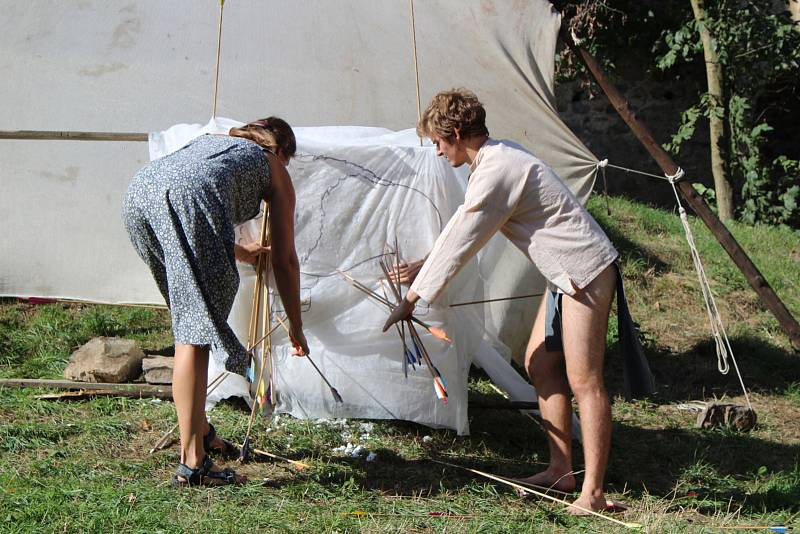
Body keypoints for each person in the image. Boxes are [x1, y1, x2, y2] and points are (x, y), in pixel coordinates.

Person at [383, 89, 619, 513]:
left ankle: (594, 493)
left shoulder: (499, 167)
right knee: (540, 364)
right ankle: (561, 471)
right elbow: (464, 225)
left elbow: (467, 233)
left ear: (456, 133)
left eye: (438, 142)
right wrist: (423, 264)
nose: (437, 152)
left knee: (585, 380)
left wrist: (413, 299)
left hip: (585, 271)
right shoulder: (493, 161)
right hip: (563, 275)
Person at [123, 117, 309, 486]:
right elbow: (285, 260)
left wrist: (241, 251)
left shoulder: (211, 145)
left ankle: (202, 432)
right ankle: (194, 464)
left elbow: (180, 199)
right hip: (185, 199)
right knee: (195, 334)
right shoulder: (272, 165)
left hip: (139, 195)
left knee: (189, 323)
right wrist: (296, 326)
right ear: (282, 151)